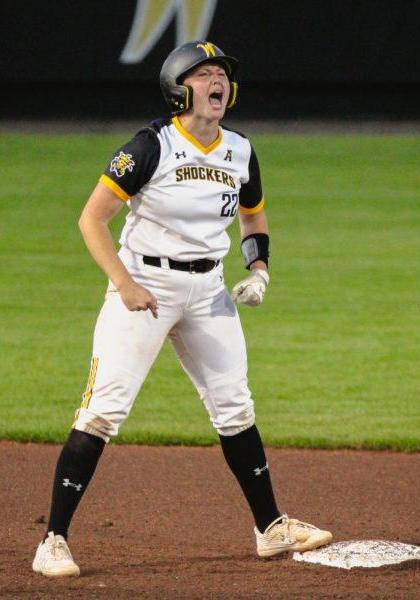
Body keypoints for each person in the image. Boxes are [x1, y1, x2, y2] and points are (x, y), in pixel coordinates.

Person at [32, 40, 333, 578]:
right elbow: (91, 220)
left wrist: (259, 272)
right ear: (179, 88)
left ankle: (270, 528)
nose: (218, 81)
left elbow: (253, 220)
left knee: (235, 407)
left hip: (209, 292)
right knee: (103, 410)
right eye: (206, 73)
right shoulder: (151, 146)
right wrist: (122, 283)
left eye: (222, 74)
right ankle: (53, 539)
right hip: (144, 286)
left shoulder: (239, 149)